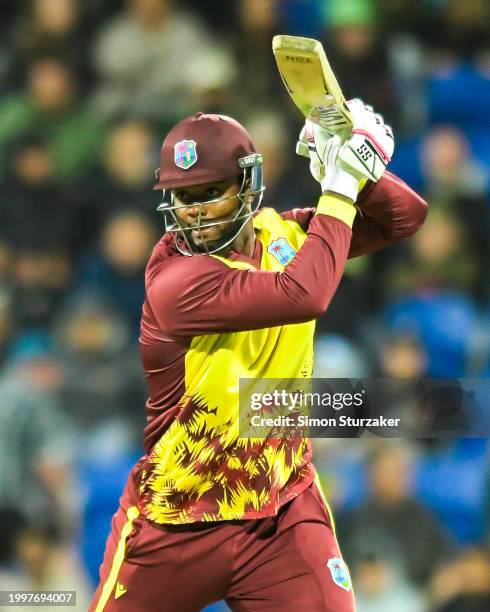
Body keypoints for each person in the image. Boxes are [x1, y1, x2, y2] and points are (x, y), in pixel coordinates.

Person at [90, 102, 427, 611]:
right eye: (183, 196)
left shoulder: (282, 235)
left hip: (282, 510)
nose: (195, 211)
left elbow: (405, 217)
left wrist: (352, 165)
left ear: (248, 186)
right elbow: (305, 294)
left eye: (209, 192)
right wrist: (339, 186)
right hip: (177, 520)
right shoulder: (176, 280)